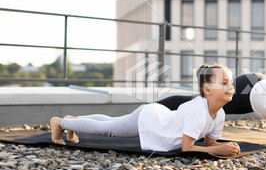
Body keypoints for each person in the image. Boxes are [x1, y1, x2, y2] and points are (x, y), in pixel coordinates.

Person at [50, 64, 240, 156]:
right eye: (224, 83)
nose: (230, 86)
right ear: (207, 90)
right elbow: (187, 148)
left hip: (157, 115)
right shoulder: (198, 111)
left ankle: (73, 119)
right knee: (109, 129)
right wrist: (221, 150)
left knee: (110, 121)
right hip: (149, 121)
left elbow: (209, 144)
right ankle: (61, 122)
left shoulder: (219, 113)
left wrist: (224, 147)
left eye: (230, 82)